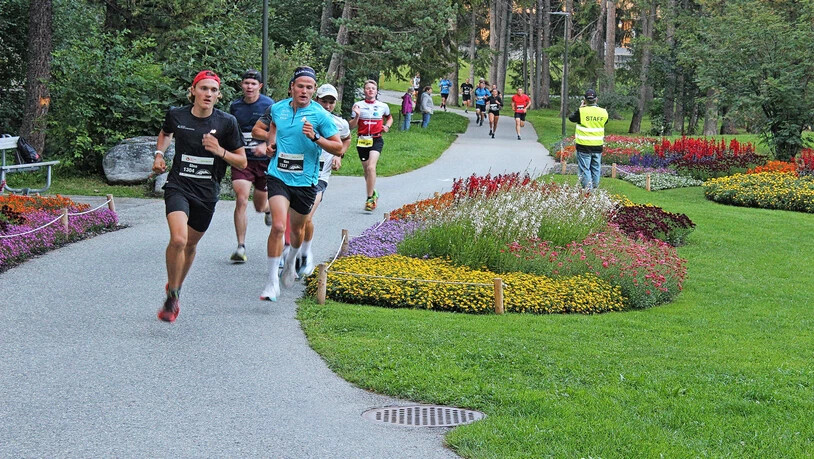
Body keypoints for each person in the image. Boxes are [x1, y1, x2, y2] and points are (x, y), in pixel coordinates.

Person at [152, 70, 247, 322]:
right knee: (179, 240)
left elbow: (242, 161)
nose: (208, 94)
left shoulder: (227, 123)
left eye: (213, 90)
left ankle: (176, 287)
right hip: (178, 186)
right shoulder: (177, 114)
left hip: (206, 192)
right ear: (193, 91)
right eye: (203, 88)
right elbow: (165, 133)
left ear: (219, 95)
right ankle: (172, 296)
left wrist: (220, 151)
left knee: (191, 245)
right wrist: (159, 155)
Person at [260, 66, 343, 302]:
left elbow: (337, 146)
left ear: (314, 90)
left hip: (306, 181)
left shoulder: (321, 116)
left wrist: (315, 137)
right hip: (278, 175)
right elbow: (274, 127)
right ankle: (271, 283)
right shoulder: (278, 109)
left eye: (309, 87)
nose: (304, 91)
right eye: (300, 86)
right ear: (291, 88)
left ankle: (291, 262)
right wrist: (271, 144)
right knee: (278, 226)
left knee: (297, 230)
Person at [296, 84, 352, 278]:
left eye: (331, 102)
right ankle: (291, 252)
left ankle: (304, 255)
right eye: (324, 101)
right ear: (316, 99)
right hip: (297, 173)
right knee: (292, 219)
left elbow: (346, 139)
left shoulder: (340, 123)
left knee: (306, 217)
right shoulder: (303, 118)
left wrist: (339, 155)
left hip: (320, 176)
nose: (327, 105)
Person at [228, 69, 275, 263]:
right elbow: (231, 131)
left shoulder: (269, 105)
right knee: (241, 198)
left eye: (253, 84)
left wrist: (265, 145)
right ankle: (240, 246)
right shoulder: (235, 106)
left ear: (260, 86)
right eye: (246, 83)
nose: (249, 87)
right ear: (242, 85)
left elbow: (276, 131)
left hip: (264, 162)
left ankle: (267, 210)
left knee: (259, 205)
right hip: (243, 160)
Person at [349, 79, 393, 211]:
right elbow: (351, 126)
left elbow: (389, 117)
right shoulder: (358, 105)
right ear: (364, 91)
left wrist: (387, 126)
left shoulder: (382, 106)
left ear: (376, 91)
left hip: (376, 140)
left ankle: (369, 199)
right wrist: (356, 116)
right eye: (368, 88)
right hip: (362, 140)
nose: (370, 90)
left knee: (371, 168)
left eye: (373, 88)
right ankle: (374, 192)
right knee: (366, 170)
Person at [569, 89, 609, 190]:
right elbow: (605, 122)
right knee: (596, 168)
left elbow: (571, 118)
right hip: (598, 145)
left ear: (585, 100)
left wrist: (581, 107)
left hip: (583, 146)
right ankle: (594, 188)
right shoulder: (603, 112)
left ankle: (587, 191)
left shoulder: (581, 111)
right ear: (596, 99)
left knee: (584, 169)